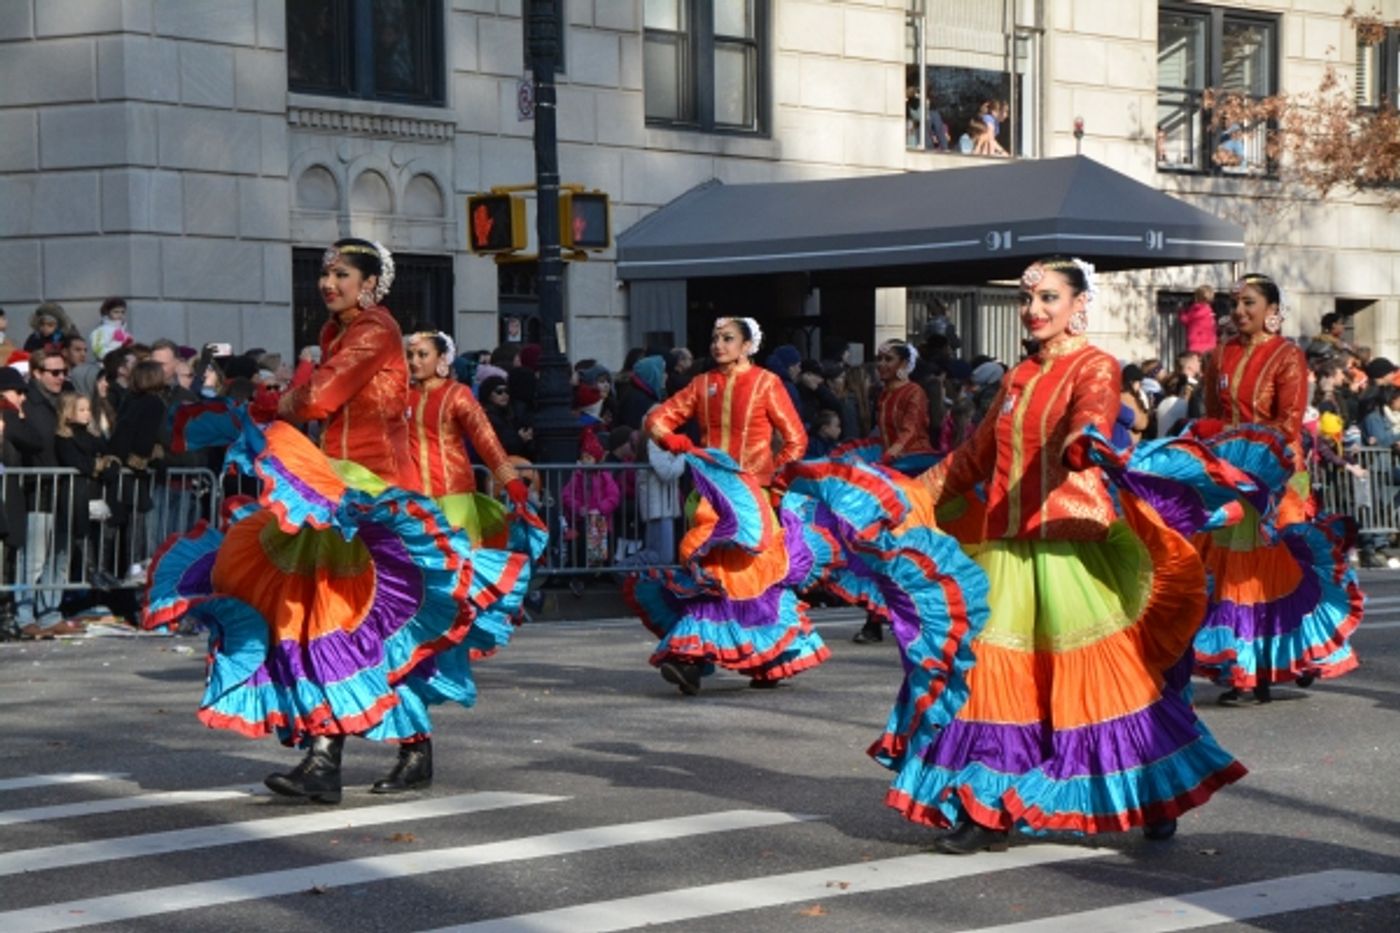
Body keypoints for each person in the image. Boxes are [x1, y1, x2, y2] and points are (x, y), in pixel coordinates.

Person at [144, 238, 537, 804]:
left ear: (370, 284)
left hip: (377, 495)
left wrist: (274, 402)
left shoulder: (377, 333)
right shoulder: (337, 334)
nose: (329, 283)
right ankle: (359, 752)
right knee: (330, 619)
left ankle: (347, 754)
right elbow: (315, 398)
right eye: (325, 273)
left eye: (342, 274)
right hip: (336, 486)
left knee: (347, 622)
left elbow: (322, 398)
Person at [899, 256, 1244, 853]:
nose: (1033, 311)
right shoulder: (1016, 377)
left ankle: (1151, 788)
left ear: (1079, 305)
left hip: (1067, 545)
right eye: (1027, 301)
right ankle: (988, 807)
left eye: (1048, 299)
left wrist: (1086, 440)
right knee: (990, 674)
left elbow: (1093, 412)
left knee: (1103, 681)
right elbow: (975, 455)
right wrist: (908, 495)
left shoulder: (1096, 366)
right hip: (1007, 550)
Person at [1193, 273, 1363, 704]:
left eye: (1250, 303)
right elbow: (1213, 412)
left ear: (1273, 311)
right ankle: (1245, 668)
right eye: (1236, 303)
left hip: (1280, 476)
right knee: (1233, 571)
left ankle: (1293, 651)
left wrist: (1251, 455)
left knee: (1278, 566)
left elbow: (1287, 423)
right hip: (1232, 476)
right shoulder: (1221, 355)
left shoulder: (1288, 356)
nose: (1240, 311)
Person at [635, 316, 821, 694]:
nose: (719, 344)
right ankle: (696, 657)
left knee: (755, 579)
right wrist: (676, 443)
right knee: (711, 577)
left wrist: (775, 483)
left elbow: (796, 440)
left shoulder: (768, 383)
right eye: (716, 337)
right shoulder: (701, 385)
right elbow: (656, 419)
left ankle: (765, 658)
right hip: (710, 500)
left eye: (728, 338)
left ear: (747, 344)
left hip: (754, 499)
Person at [850, 339, 939, 644]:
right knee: (879, 545)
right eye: (879, 358)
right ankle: (875, 618)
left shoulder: (914, 392)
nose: (881, 364)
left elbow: (911, 431)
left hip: (912, 472)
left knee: (908, 546)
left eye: (888, 359)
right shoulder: (883, 395)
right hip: (889, 470)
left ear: (903, 365)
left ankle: (916, 617)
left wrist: (884, 461)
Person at [1179, 286, 1218, 355]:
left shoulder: (1197, 310)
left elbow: (1186, 320)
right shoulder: (1210, 312)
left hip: (1196, 346)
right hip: (1210, 345)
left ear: (1196, 298)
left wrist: (1181, 311)